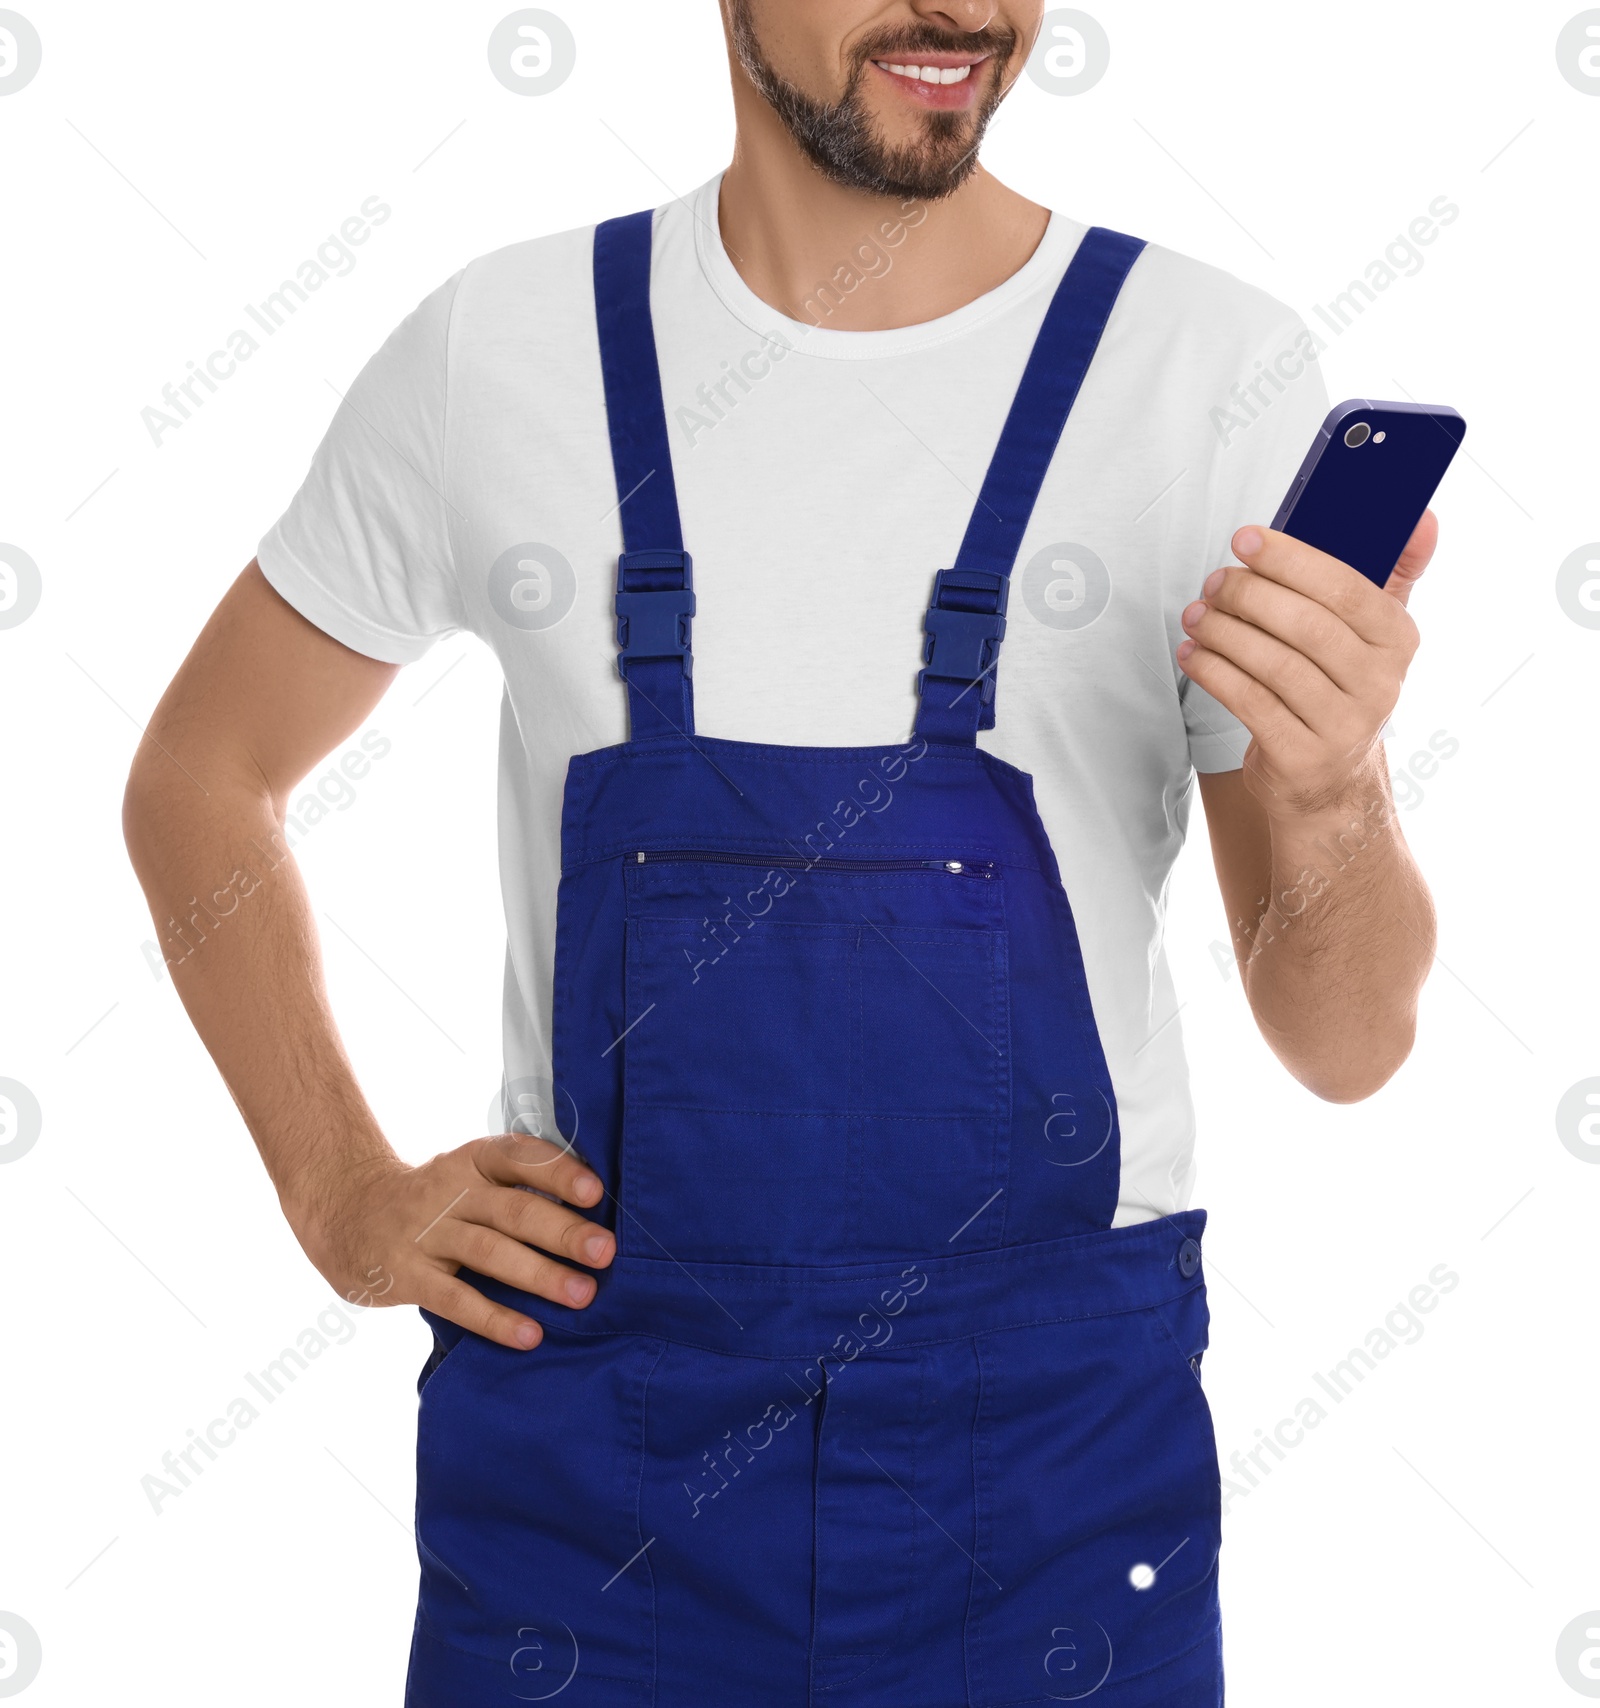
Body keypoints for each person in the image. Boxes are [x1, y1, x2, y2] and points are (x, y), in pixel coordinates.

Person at [122, 3, 1438, 1702]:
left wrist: (1332, 790)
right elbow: (200, 781)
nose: (960, 9)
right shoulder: (504, 350)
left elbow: (1349, 1047)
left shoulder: (1207, 368)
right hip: (600, 1484)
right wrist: (343, 1197)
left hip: (1047, 1475)